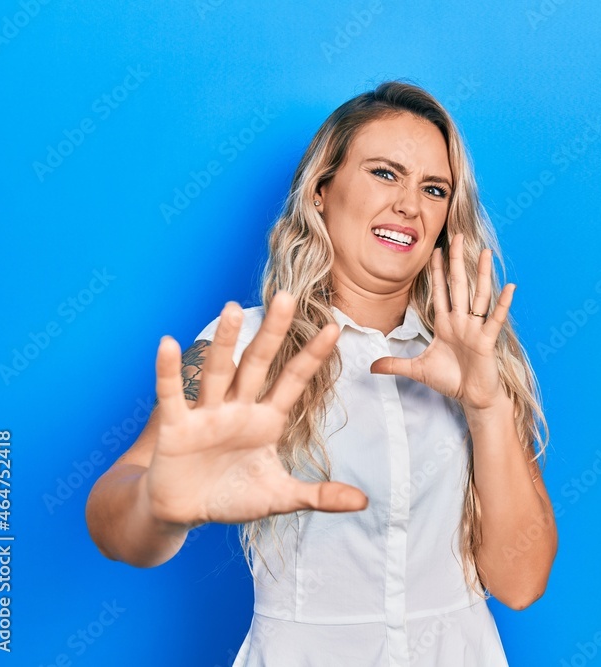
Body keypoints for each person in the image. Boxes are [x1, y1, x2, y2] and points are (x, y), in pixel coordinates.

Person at [85, 80, 557, 666]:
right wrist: (158, 505)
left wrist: (489, 409)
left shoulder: (476, 352)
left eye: (433, 189)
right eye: (385, 173)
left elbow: (519, 583)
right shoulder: (248, 346)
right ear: (320, 191)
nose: (410, 204)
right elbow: (114, 514)